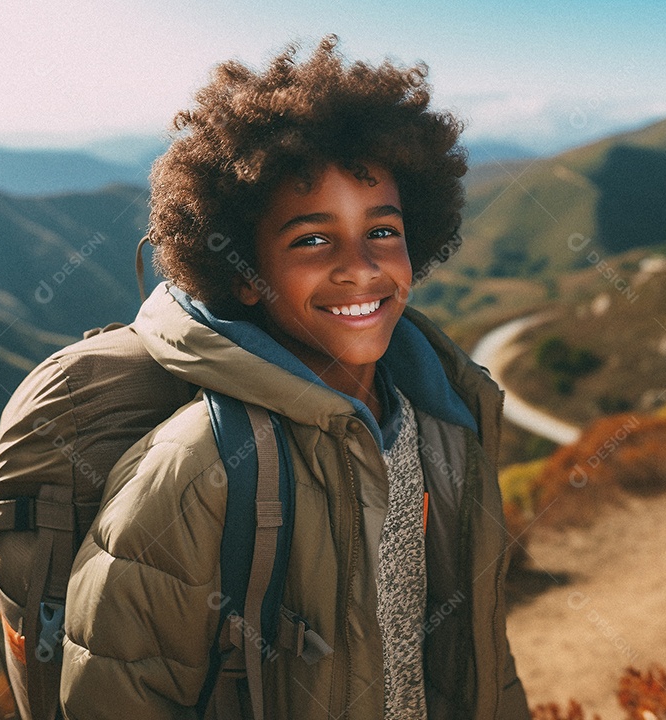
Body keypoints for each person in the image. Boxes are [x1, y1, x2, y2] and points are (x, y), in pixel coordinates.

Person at [60, 36, 532, 719]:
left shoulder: (444, 422)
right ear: (243, 276)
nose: (360, 266)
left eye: (383, 230)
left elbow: (479, 656)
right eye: (312, 239)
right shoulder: (197, 472)